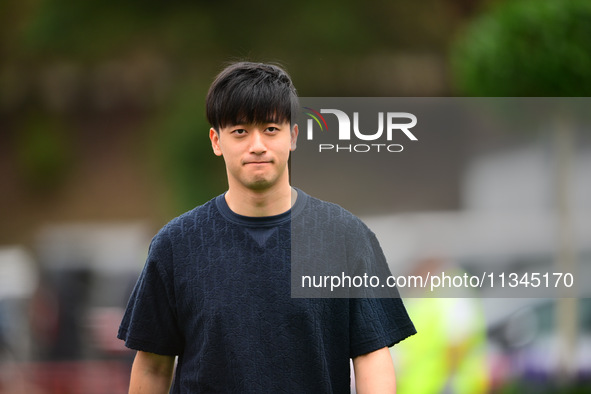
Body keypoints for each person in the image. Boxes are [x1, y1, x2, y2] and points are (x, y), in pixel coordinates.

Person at [118, 61, 416, 393]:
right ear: (217, 141)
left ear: (293, 136)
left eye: (271, 129)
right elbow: (153, 366)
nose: (257, 144)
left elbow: (372, 356)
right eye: (240, 131)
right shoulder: (176, 245)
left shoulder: (346, 238)